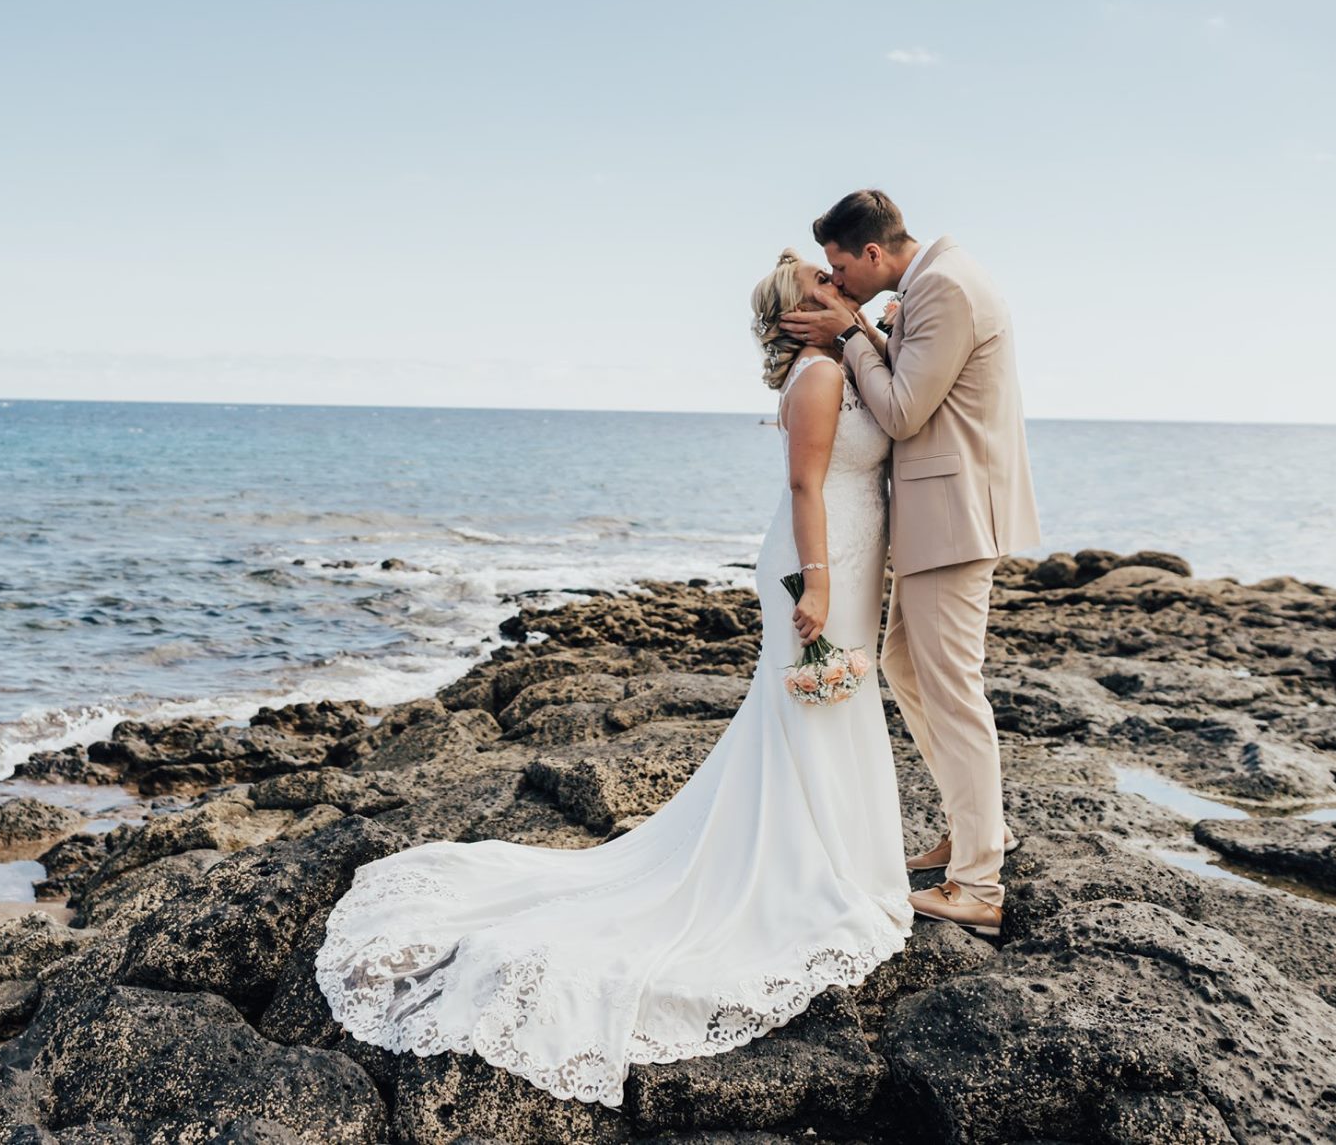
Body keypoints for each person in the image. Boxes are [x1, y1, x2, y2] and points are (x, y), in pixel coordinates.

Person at [312, 249, 913, 1109]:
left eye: (833, 279)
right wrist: (816, 582)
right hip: (821, 556)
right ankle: (813, 866)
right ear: (791, 317)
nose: (833, 288)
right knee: (811, 710)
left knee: (826, 713)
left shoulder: (847, 356)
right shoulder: (818, 376)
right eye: (817, 287)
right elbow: (803, 483)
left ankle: (837, 854)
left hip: (848, 553)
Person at [780, 188, 1041, 936]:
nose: (837, 284)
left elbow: (900, 411)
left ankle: (979, 884)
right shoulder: (936, 280)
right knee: (905, 666)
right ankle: (974, 826)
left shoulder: (947, 287)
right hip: (945, 515)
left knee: (953, 688)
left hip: (954, 518)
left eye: (840, 268)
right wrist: (867, 328)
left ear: (872, 252)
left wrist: (852, 334)